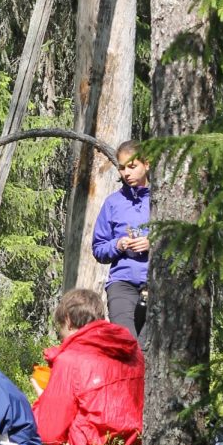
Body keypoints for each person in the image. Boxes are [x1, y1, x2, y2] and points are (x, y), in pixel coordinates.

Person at [31, 288, 144, 445]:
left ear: (68, 320)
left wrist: (43, 401)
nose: (61, 337)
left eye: (60, 328)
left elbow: (48, 434)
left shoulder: (69, 360)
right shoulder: (134, 351)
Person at [92, 140, 150, 341]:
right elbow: (98, 248)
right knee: (126, 342)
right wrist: (117, 245)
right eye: (122, 168)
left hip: (157, 283)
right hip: (122, 283)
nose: (126, 173)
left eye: (132, 167)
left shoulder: (162, 199)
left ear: (147, 165)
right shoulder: (113, 203)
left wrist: (152, 244)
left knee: (148, 345)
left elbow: (179, 242)